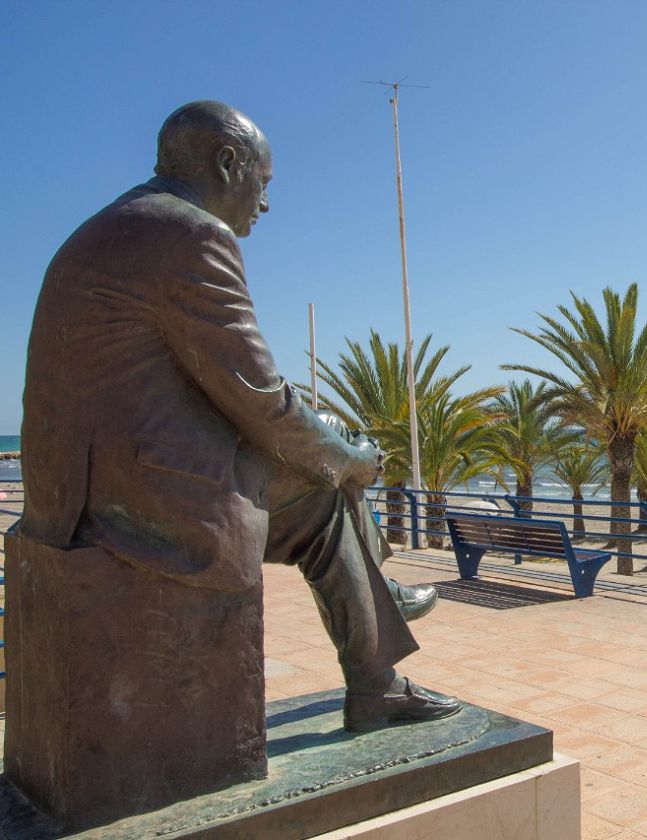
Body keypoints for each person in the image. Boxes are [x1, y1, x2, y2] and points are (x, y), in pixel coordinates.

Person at [18, 100, 458, 731]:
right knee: (327, 485)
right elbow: (260, 399)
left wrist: (328, 447)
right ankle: (376, 683)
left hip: (73, 487)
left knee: (323, 467)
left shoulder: (115, 224)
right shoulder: (190, 233)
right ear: (228, 164)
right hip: (126, 495)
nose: (266, 203)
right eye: (264, 182)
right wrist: (352, 456)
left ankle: (378, 628)